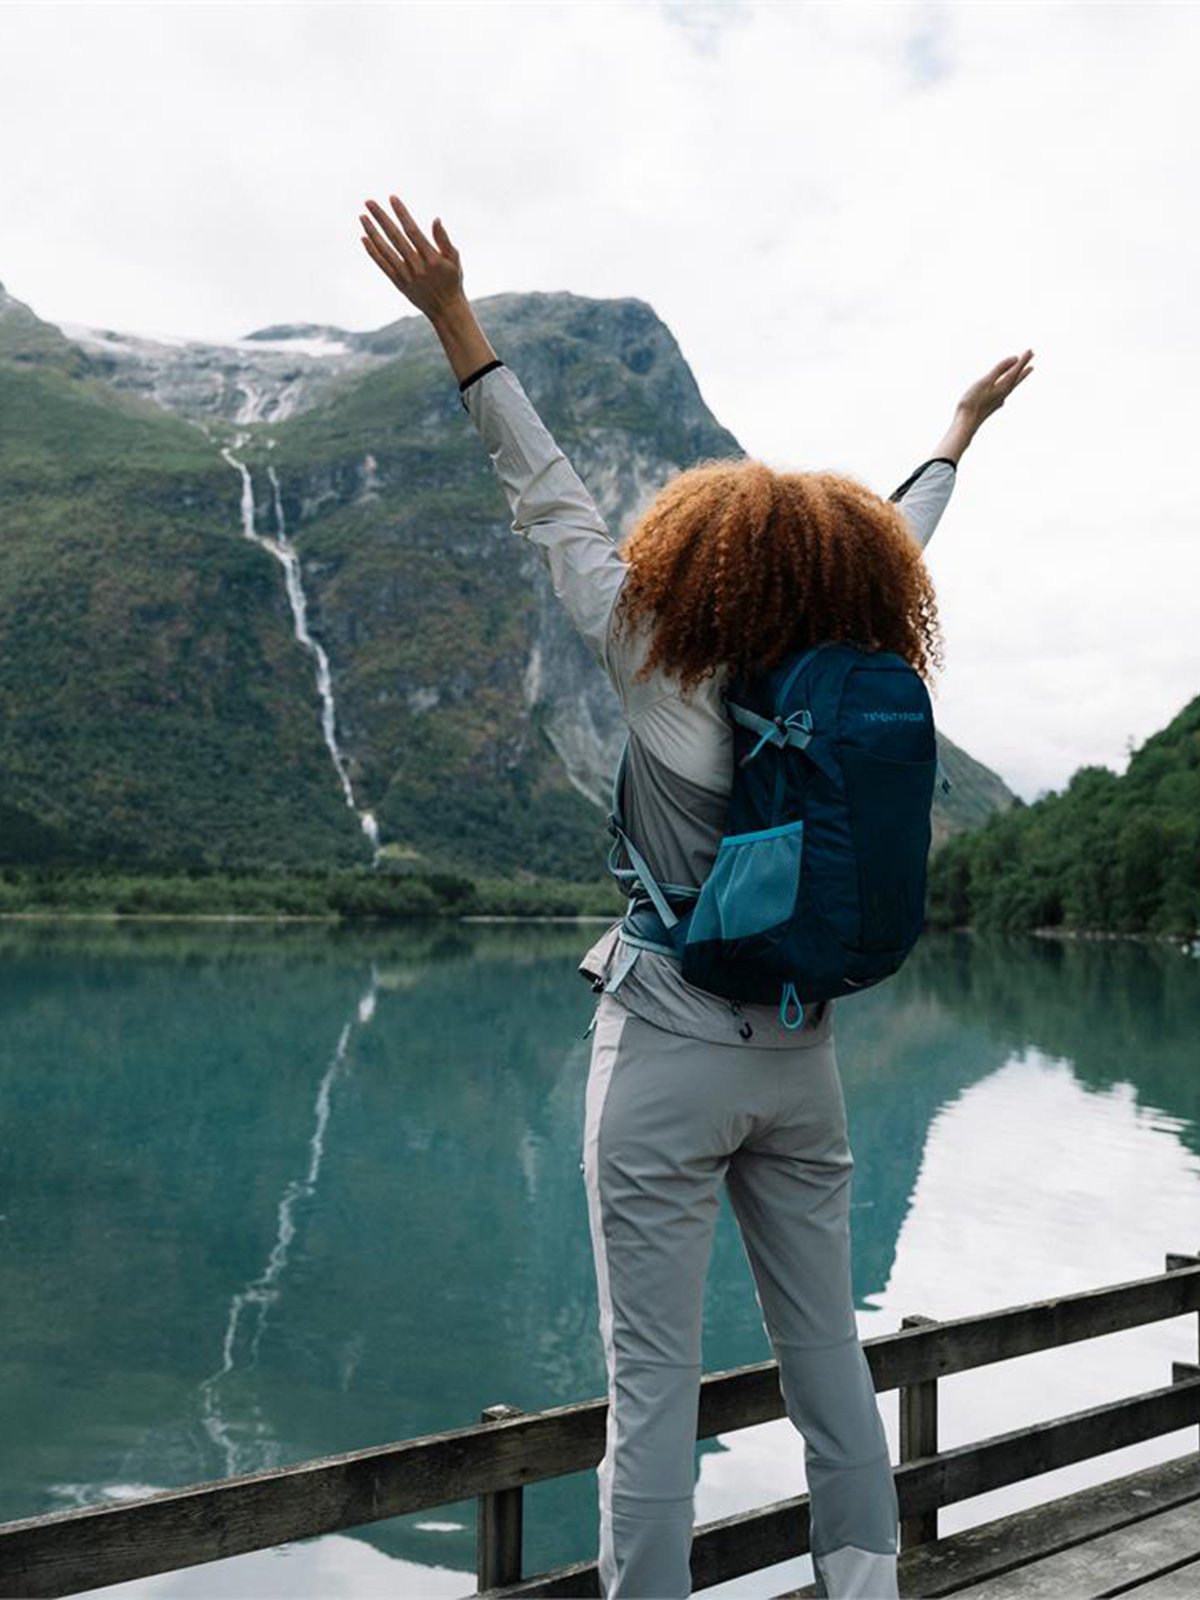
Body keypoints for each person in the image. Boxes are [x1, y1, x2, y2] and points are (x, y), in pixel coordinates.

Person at [358, 193, 1034, 1600]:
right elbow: (905, 532)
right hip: (801, 1052)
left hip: (667, 1043)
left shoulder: (651, 653)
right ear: (842, 574)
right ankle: (864, 1589)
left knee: (652, 1383)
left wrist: (454, 320)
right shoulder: (850, 655)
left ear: (695, 557)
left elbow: (549, 497)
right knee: (828, 1359)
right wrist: (959, 432)